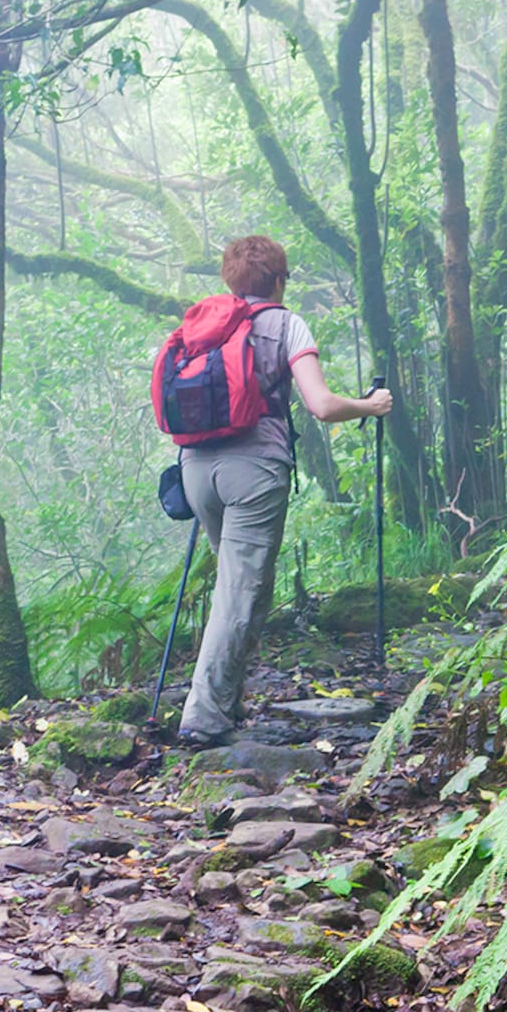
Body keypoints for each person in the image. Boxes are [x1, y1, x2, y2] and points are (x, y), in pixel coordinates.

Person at [176, 234, 392, 748]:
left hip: (194, 469)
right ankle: (202, 720)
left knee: (246, 589)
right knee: (238, 594)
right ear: (278, 280)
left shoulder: (202, 325)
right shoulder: (285, 323)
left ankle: (225, 704)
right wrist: (370, 406)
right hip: (253, 471)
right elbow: (320, 404)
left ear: (230, 278)